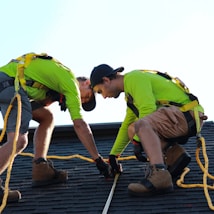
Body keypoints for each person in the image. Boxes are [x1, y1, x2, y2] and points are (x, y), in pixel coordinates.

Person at [0, 53, 111, 203]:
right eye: (86, 97)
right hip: (11, 85)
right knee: (19, 141)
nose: (81, 101)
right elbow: (80, 125)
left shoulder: (57, 81)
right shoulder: (70, 83)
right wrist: (98, 160)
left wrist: (53, 98)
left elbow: (36, 98)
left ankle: (40, 168)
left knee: (47, 117)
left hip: (12, 83)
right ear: (86, 83)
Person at [89, 64, 207, 197]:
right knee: (132, 128)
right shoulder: (130, 94)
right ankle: (175, 155)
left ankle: (160, 174)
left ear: (106, 80)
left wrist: (138, 141)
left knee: (140, 126)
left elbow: (148, 109)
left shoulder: (134, 78)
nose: (104, 96)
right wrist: (114, 155)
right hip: (182, 117)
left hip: (185, 115)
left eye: (100, 91)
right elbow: (128, 123)